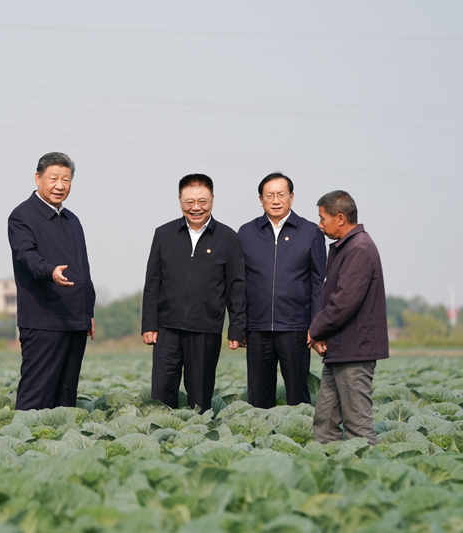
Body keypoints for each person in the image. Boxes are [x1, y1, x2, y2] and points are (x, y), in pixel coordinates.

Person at [142, 174, 246, 413]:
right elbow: (152, 283)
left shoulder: (229, 238)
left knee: (200, 398)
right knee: (161, 394)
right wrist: (149, 323)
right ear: (180, 200)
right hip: (167, 329)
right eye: (189, 201)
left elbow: (236, 288)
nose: (196, 207)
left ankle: (196, 442)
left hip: (206, 329)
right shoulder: (164, 234)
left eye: (202, 201)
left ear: (212, 199)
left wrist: (237, 328)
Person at [8, 152, 95, 410]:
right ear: (38, 178)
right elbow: (26, 256)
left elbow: (84, 269)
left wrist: (87, 311)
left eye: (66, 179)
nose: (60, 185)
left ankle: (60, 448)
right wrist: (50, 272)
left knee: (66, 395)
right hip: (43, 320)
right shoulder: (22, 216)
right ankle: (25, 446)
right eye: (54, 178)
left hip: (74, 320)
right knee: (38, 393)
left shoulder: (72, 220)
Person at [237, 172, 326, 408]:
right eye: (270, 195)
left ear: (292, 197)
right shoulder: (246, 233)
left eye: (281, 195)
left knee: (298, 398)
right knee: (257, 399)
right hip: (257, 329)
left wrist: (316, 325)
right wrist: (240, 324)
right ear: (260, 199)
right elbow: (238, 283)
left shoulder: (310, 233)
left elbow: (319, 283)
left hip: (296, 329)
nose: (276, 200)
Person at [308, 190, 388, 446]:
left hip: (355, 350)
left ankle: (367, 477)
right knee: (325, 420)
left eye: (323, 219)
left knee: (358, 424)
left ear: (340, 218)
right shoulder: (346, 247)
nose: (320, 225)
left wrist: (315, 329)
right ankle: (332, 473)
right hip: (341, 349)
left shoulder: (359, 248)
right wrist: (323, 334)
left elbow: (344, 302)